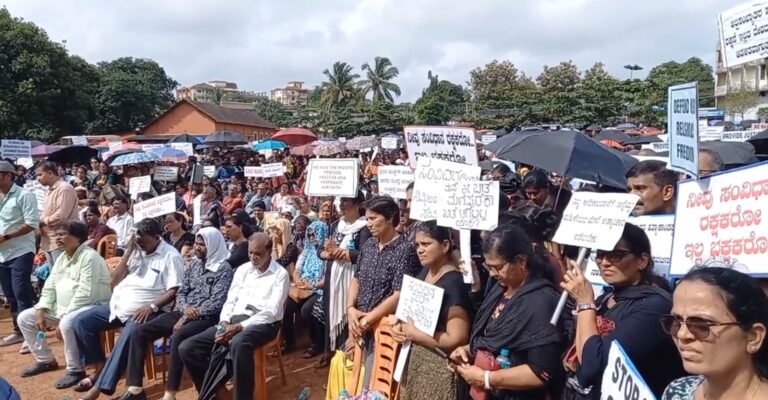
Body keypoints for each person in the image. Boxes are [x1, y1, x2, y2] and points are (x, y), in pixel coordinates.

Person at [560, 223, 684, 399]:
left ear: (642, 261)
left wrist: (585, 304)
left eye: (616, 255)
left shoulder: (654, 307)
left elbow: (591, 369)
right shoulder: (606, 299)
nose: (604, 262)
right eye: (600, 255)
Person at [117, 227, 234, 400]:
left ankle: (170, 393)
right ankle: (135, 388)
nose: (197, 247)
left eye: (202, 245)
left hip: (207, 317)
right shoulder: (194, 263)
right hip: (184, 311)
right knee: (139, 330)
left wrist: (188, 316)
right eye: (196, 243)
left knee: (179, 334)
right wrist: (185, 308)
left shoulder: (223, 268)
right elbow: (181, 291)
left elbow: (217, 302)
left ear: (213, 245)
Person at [72, 218, 184, 400]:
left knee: (131, 332)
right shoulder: (136, 250)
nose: (140, 245)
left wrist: (152, 306)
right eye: (137, 241)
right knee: (81, 322)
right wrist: (129, 251)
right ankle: (100, 368)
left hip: (150, 310)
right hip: (118, 307)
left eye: (143, 242)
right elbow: (114, 280)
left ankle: (99, 388)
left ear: (156, 237)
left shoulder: (170, 256)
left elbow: (174, 290)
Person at [450, 225, 564, 400]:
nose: (493, 273)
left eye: (498, 267)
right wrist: (468, 350)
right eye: (489, 267)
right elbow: (490, 336)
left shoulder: (541, 302)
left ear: (521, 262)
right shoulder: (500, 289)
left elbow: (541, 372)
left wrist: (487, 378)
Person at [178, 233, 289, 400]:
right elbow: (231, 300)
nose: (253, 257)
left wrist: (240, 327)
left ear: (269, 251)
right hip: (233, 321)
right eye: (250, 253)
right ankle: (214, 393)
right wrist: (223, 322)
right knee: (187, 348)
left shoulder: (280, 274)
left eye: (257, 254)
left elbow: (272, 312)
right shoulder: (243, 270)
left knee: (238, 342)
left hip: (264, 323)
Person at [17, 222, 111, 388]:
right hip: (62, 308)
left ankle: (75, 370)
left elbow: (86, 292)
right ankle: (45, 360)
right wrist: (41, 308)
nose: (57, 238)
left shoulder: (90, 257)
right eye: (57, 234)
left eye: (62, 234)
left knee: (68, 322)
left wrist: (65, 316)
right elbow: (50, 285)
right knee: (25, 318)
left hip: (91, 306)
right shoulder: (62, 257)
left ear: (78, 238)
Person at [390, 221, 472, 400]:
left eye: (426, 244)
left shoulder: (454, 284)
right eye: (418, 245)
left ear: (445, 246)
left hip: (439, 369)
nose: (420, 250)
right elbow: (407, 314)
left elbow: (457, 337)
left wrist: (415, 334)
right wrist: (399, 328)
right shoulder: (423, 273)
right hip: (415, 364)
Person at [347, 196, 422, 387]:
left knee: (373, 384)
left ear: (389, 218)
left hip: (385, 328)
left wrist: (368, 319)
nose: (369, 224)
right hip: (359, 324)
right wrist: (350, 309)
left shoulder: (405, 250)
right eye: (367, 219)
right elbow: (357, 279)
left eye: (373, 218)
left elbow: (399, 294)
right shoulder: (368, 246)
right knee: (354, 378)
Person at [661, 267, 768, 399]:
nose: (682, 335)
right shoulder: (677, 391)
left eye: (701, 325)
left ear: (754, 337)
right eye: (676, 322)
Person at [319, 192, 370, 367]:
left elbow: (364, 254)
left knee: (346, 317)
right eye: (341, 201)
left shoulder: (364, 227)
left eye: (346, 201)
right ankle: (329, 352)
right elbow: (321, 250)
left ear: (356, 204)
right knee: (330, 314)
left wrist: (341, 253)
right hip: (332, 279)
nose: (341, 205)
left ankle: (343, 359)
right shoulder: (335, 225)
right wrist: (329, 253)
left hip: (351, 280)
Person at [0, 161, 41, 349]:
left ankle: (31, 335)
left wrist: (7, 236)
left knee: (20, 291)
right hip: (2, 255)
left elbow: (32, 223)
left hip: (21, 251)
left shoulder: (25, 195)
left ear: (8, 176)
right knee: (9, 294)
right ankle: (18, 331)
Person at [284, 220, 329, 356]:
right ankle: (289, 342)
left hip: (319, 289)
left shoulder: (327, 254)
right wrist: (298, 281)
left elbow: (328, 278)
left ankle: (316, 344)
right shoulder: (306, 252)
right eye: (309, 235)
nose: (312, 238)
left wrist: (312, 285)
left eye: (315, 235)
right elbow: (297, 271)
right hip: (302, 287)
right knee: (285, 306)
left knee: (307, 310)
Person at [38, 161, 80, 266]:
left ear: (50, 173)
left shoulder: (64, 188)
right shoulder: (50, 190)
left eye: (40, 175)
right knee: (54, 277)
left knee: (62, 275)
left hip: (61, 240)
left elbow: (60, 216)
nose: (38, 178)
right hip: (49, 240)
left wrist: (42, 221)